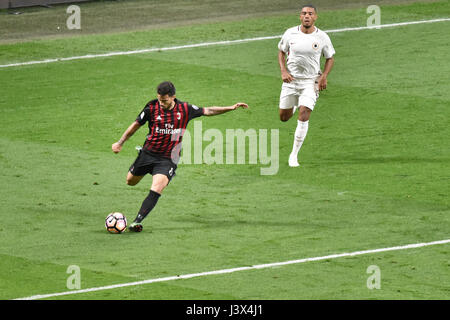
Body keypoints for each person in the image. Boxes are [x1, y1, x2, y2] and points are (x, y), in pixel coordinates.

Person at [112, 81, 248, 232]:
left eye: (164, 100)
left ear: (173, 97)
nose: (161, 103)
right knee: (130, 181)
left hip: (168, 158)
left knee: (157, 187)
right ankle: (141, 160)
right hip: (148, 153)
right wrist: (120, 142)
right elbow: (136, 124)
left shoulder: (185, 109)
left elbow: (208, 110)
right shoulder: (152, 108)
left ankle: (137, 221)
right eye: (159, 100)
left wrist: (231, 107)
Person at [277, 4, 335, 167]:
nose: (307, 16)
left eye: (310, 13)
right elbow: (281, 52)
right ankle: (295, 105)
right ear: (300, 17)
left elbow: (330, 57)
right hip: (291, 81)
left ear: (315, 17)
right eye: (304, 13)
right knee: (284, 117)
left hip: (311, 81)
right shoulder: (290, 33)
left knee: (304, 114)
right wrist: (283, 71)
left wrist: (324, 76)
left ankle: (293, 155)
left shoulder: (322, 37)